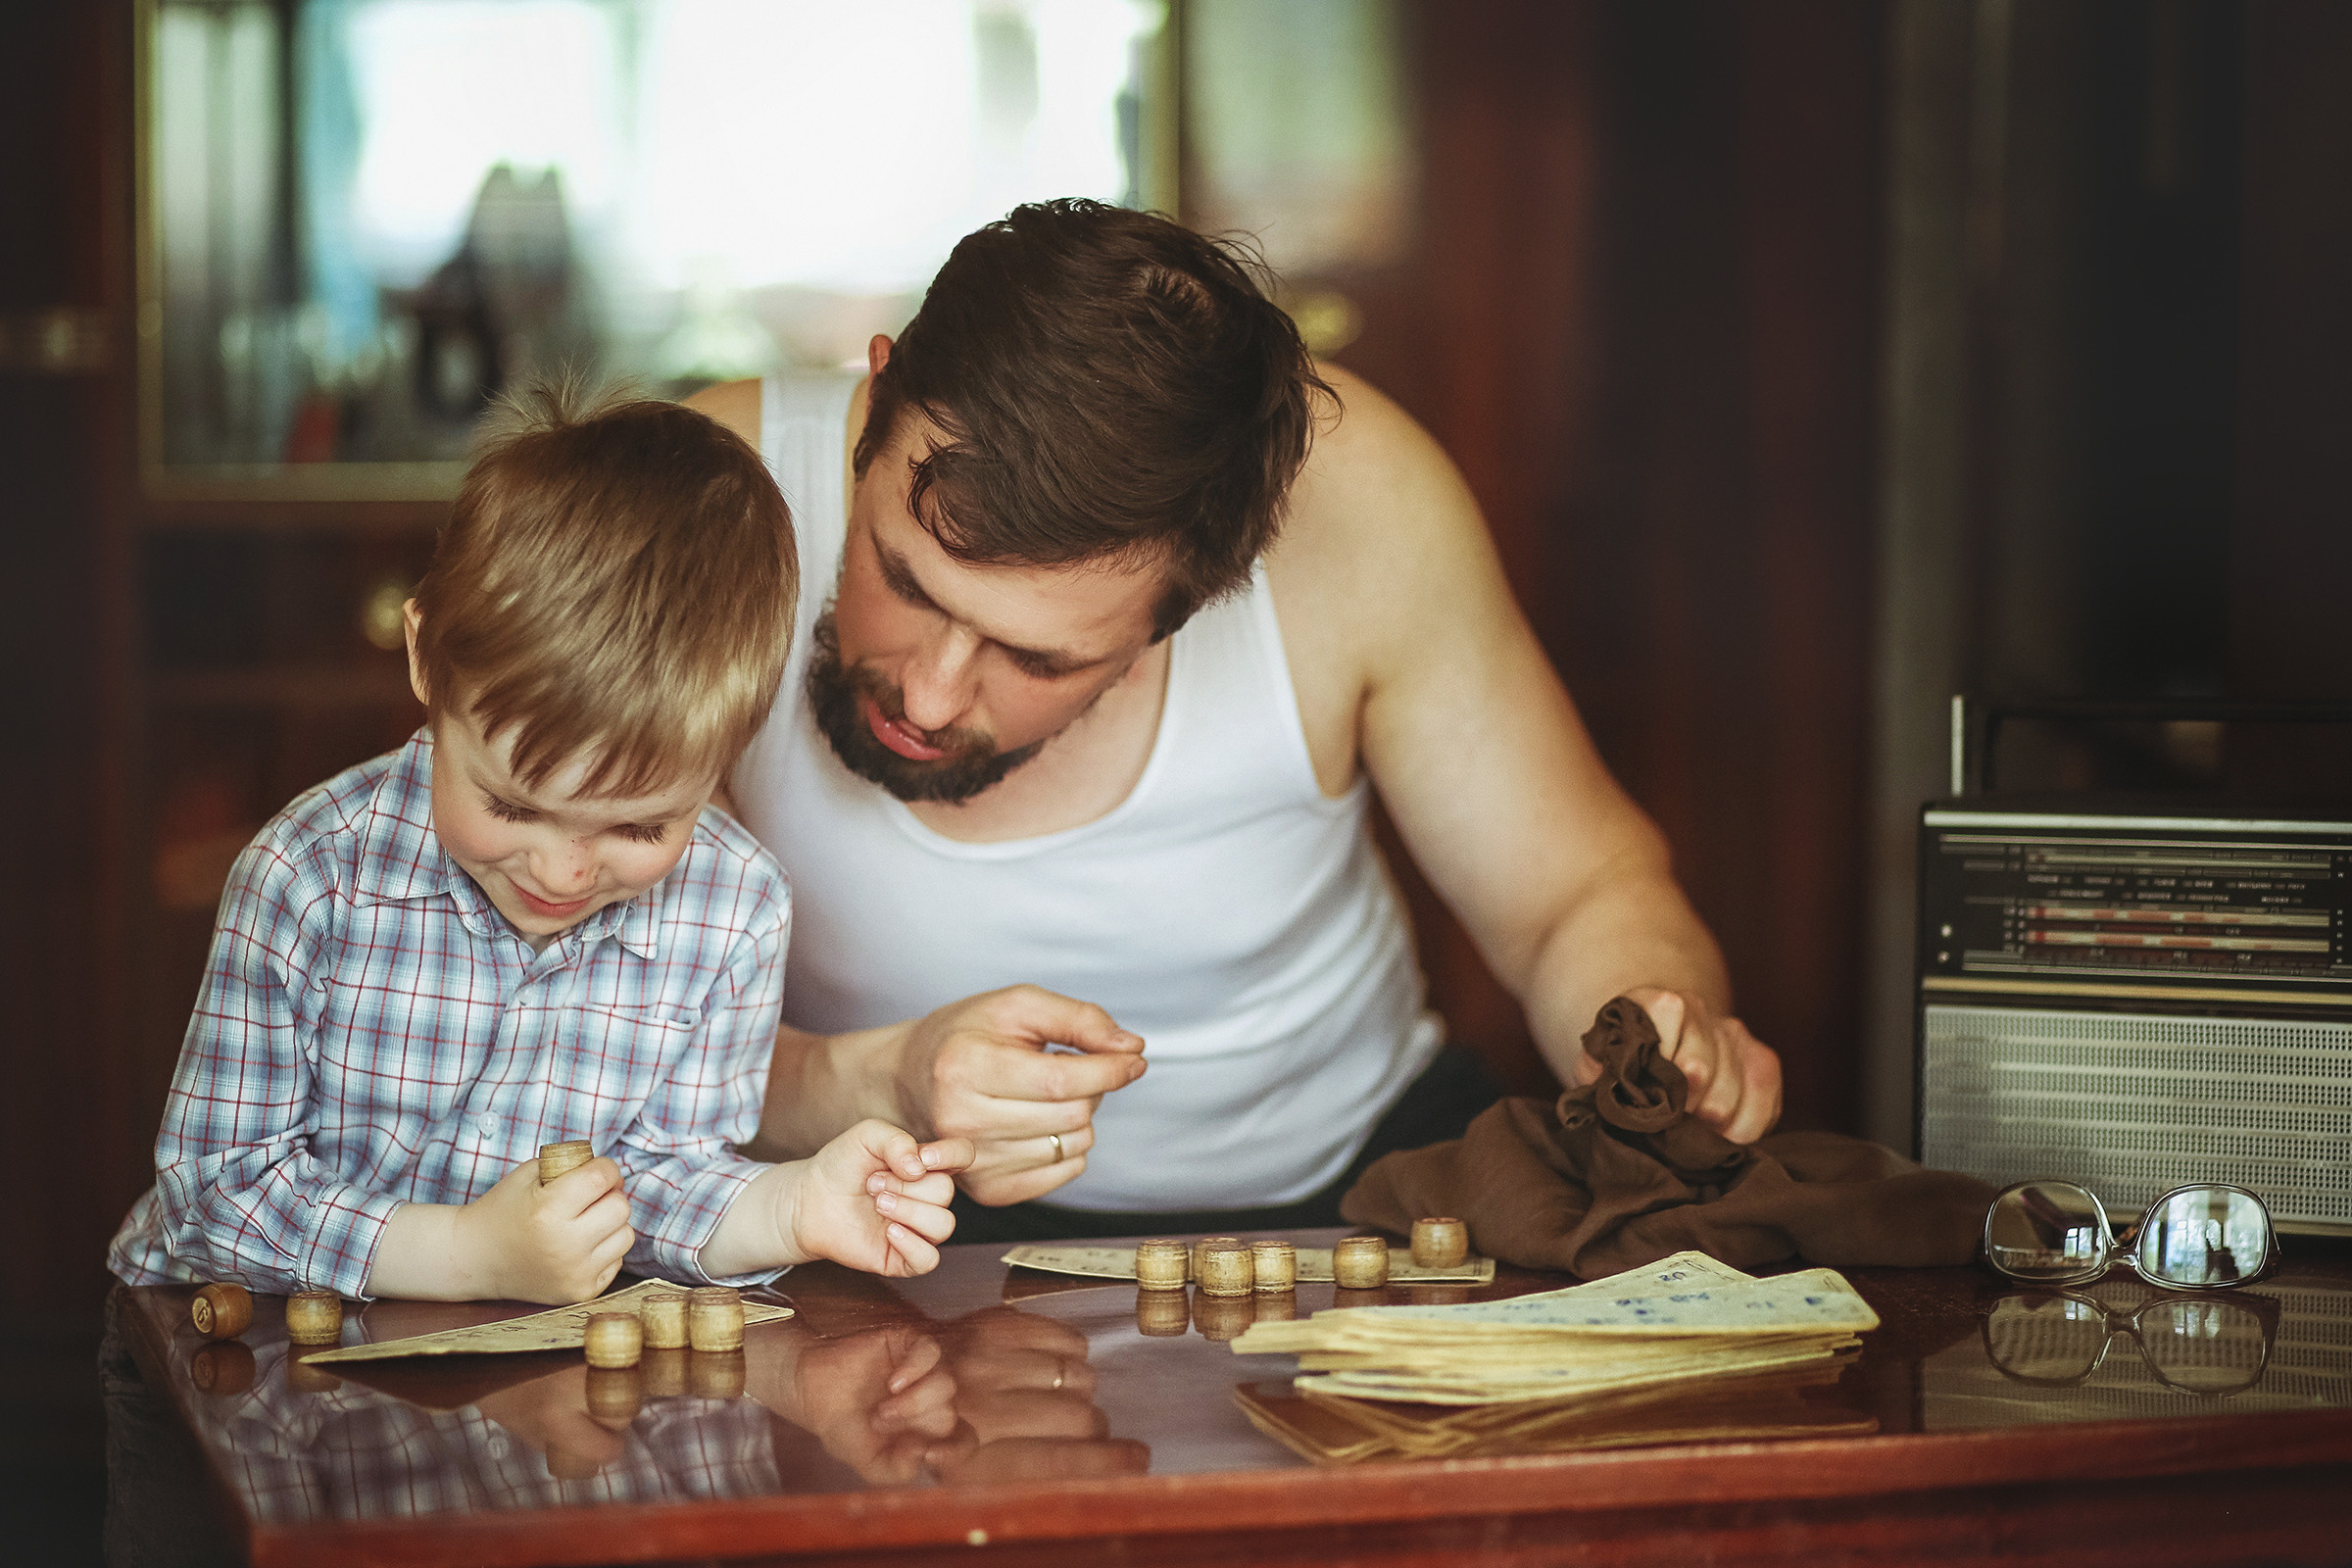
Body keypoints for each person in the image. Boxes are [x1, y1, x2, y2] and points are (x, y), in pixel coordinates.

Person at [696, 199, 1782, 1242]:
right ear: (877, 398)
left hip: (1354, 1188)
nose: (928, 695)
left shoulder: (1358, 506)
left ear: (1202, 599)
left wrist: (1654, 1029)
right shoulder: (701, 501)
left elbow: (1571, 897)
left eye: (1039, 656)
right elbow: (557, 1024)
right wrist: (873, 1081)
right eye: (908, 580)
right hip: (865, 1199)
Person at [106, 386, 971, 1304]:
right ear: (426, 660)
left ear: (732, 750)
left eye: (641, 826)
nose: (564, 871)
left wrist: (793, 1203)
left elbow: (658, 1175)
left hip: (512, 1376)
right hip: (233, 1358)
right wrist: (467, 1256)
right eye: (515, 807)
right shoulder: (309, 880)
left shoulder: (736, 907)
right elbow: (214, 1194)